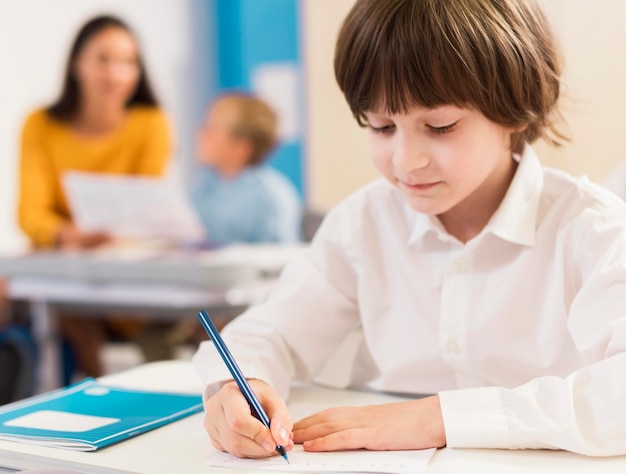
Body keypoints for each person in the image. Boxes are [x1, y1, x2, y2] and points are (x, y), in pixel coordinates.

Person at [192, 0, 626, 458]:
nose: (405, 161)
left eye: (439, 126)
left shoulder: (591, 230)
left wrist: (437, 417)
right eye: (381, 126)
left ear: (516, 109)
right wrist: (240, 386)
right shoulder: (363, 222)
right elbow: (269, 333)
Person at [17, 15, 172, 378]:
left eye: (127, 62)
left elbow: (145, 209)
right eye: (103, 59)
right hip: (63, 271)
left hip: (126, 273)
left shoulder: (151, 123)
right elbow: (30, 214)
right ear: (77, 64)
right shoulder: (40, 124)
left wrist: (100, 236)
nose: (115, 73)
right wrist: (71, 235)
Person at [191, 93, 301, 245]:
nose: (201, 134)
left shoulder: (270, 196)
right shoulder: (204, 188)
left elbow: (276, 258)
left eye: (212, 129)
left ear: (241, 148)